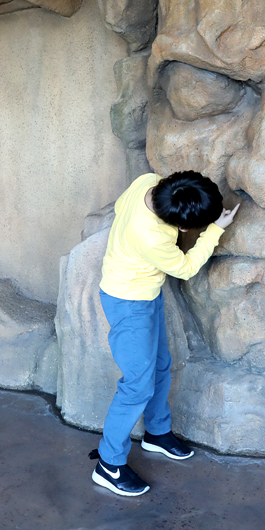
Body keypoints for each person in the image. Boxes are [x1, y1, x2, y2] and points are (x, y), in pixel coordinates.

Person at [89, 170, 239, 496]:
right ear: (182, 227)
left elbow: (119, 207)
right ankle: (108, 464)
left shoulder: (147, 181)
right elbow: (184, 268)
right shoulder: (151, 236)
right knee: (136, 387)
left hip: (145, 291)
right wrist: (215, 230)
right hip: (129, 303)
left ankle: (156, 432)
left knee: (160, 365)